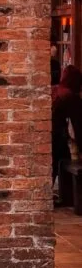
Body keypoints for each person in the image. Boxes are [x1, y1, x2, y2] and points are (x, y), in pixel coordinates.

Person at [52, 65, 82, 201]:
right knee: (62, 159)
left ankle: (66, 196)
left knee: (59, 161)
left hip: (47, 133)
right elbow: (78, 126)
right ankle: (69, 196)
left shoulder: (55, 89)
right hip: (55, 135)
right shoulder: (70, 96)